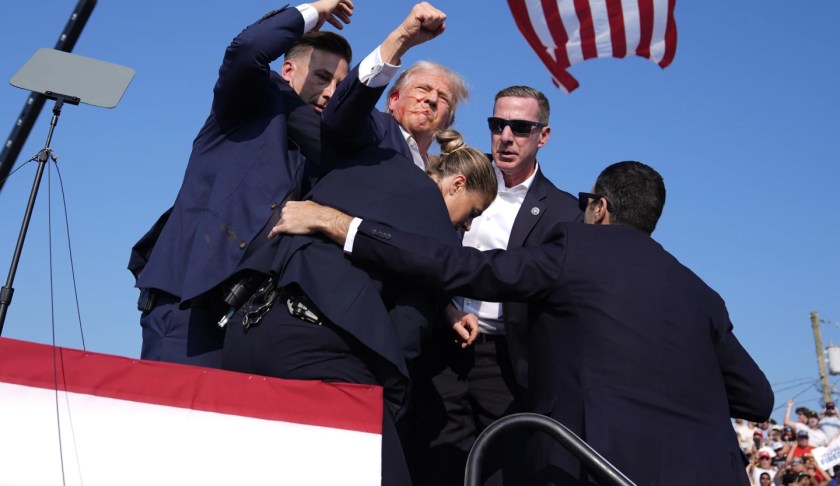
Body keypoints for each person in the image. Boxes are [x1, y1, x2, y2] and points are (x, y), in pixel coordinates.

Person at [273, 160, 774, 485]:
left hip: (594, 467)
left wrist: (340, 224)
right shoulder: (700, 292)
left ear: (599, 208)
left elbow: (463, 268)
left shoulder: (575, 251)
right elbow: (757, 398)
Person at [222, 126, 495, 485]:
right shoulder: (440, 234)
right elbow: (405, 335)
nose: (470, 223)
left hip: (247, 332)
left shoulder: (374, 165)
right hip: (322, 358)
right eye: (474, 210)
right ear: (456, 184)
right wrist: (388, 406)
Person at [126, 1, 353, 367]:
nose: (330, 92)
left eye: (340, 85)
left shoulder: (324, 153)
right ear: (288, 70)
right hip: (189, 306)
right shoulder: (248, 104)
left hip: (252, 322)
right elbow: (247, 50)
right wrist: (312, 11)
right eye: (322, 77)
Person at [405, 85, 581, 486]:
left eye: (520, 127)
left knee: (500, 472)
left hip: (507, 363)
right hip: (439, 347)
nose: (505, 136)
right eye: (497, 124)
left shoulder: (564, 212)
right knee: (431, 466)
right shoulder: (449, 176)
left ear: (544, 136)